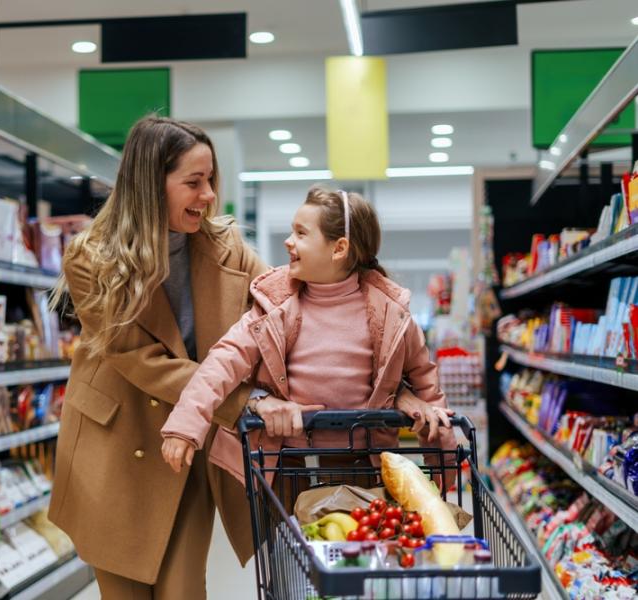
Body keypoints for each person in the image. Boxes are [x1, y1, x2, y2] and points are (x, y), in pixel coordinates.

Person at [49, 117, 446, 599]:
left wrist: (397, 387)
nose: (208, 195)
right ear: (151, 184)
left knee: (182, 590)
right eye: (194, 182)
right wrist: (249, 401)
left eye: (211, 180)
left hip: (189, 445)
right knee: (125, 591)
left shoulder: (227, 248)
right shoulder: (91, 258)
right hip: (116, 438)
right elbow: (138, 358)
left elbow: (307, 311)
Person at [160, 185, 457, 496]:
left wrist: (444, 461)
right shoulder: (273, 307)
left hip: (363, 465)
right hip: (287, 462)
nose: (289, 241)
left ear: (339, 248)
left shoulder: (390, 314)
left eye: (301, 233)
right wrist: (185, 425)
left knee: (359, 528)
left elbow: (425, 381)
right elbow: (223, 361)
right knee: (291, 528)